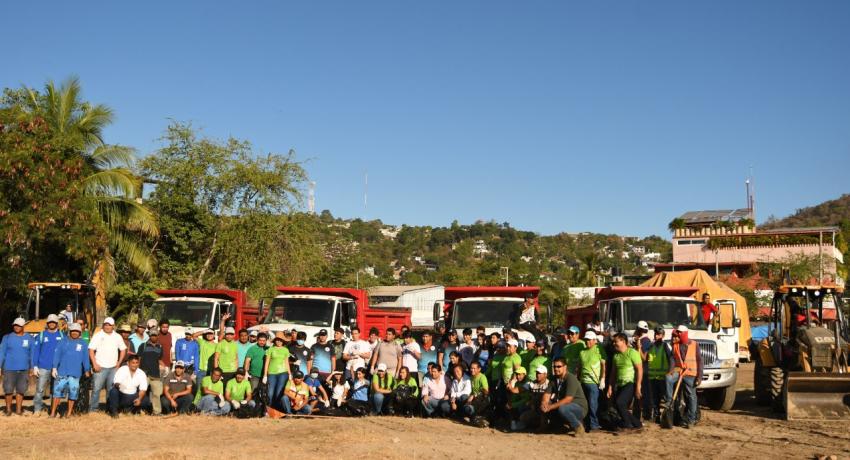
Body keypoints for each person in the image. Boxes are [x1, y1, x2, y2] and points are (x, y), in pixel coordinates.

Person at [49, 322, 90, 417]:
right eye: (73, 331)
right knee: (57, 393)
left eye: (77, 331)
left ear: (80, 332)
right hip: (62, 372)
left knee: (73, 393)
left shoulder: (83, 343)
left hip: (75, 373)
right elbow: (57, 355)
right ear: (69, 331)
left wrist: (87, 369)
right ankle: (52, 413)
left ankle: (69, 413)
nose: (75, 333)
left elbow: (85, 358)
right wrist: (54, 367)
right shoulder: (62, 341)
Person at [665, 325, 703, 428]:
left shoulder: (694, 344)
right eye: (678, 332)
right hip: (679, 371)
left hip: (691, 374)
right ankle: (669, 401)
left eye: (680, 332)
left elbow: (700, 360)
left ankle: (691, 419)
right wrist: (671, 370)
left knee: (691, 396)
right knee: (668, 378)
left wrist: (699, 377)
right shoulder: (676, 345)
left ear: (685, 333)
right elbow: (673, 358)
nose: (678, 334)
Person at [88, 317, 127, 413]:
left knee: (111, 390)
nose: (107, 326)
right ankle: (93, 409)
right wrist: (94, 364)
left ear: (113, 326)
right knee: (96, 389)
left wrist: (119, 363)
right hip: (100, 367)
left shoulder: (117, 336)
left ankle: (109, 409)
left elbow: (123, 350)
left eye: (109, 325)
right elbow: (91, 350)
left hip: (113, 367)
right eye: (106, 324)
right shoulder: (98, 335)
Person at [542, 357, 588, 436]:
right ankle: (559, 426)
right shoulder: (553, 379)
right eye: (554, 366)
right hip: (566, 406)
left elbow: (568, 399)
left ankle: (579, 427)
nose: (556, 369)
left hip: (579, 407)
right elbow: (547, 394)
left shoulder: (571, 378)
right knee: (543, 403)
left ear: (565, 367)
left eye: (559, 366)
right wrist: (544, 403)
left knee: (562, 408)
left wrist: (550, 407)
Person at [607, 332, 643, 430]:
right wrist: (610, 387)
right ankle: (637, 424)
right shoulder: (616, 356)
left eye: (616, 342)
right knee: (619, 406)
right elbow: (613, 373)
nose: (614, 344)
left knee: (620, 403)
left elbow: (639, 369)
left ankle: (627, 424)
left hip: (630, 383)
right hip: (620, 384)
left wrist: (638, 386)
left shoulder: (632, 353)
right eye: (613, 342)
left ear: (623, 341)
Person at [31, 313, 64, 414]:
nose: (52, 324)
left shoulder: (62, 335)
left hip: (58, 368)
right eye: (50, 322)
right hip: (43, 367)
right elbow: (35, 351)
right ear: (47, 323)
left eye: (54, 322)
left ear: (56, 323)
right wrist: (35, 366)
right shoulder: (41, 335)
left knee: (56, 391)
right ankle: (37, 410)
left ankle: (54, 410)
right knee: (40, 390)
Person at [0, 318, 33, 416]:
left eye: (19, 325)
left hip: (24, 368)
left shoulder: (30, 338)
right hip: (9, 368)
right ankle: (8, 410)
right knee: (8, 390)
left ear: (23, 326)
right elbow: (2, 353)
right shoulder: (7, 337)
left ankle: (19, 410)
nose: (16, 327)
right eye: (15, 325)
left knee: (21, 390)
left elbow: (32, 353)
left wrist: (32, 367)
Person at [578, 330, 606, 432]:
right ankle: (586, 425)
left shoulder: (599, 350)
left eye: (589, 340)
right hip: (583, 382)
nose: (587, 342)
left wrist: (602, 379)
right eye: (586, 340)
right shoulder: (582, 352)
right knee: (585, 405)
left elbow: (603, 365)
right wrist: (578, 379)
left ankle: (594, 425)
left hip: (594, 382)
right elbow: (580, 367)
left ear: (594, 340)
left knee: (593, 404)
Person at [136, 329, 166, 415]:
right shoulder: (143, 345)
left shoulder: (160, 347)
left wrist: (164, 367)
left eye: (155, 335)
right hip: (144, 374)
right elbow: (139, 359)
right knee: (142, 392)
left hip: (155, 374)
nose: (153, 337)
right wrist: (137, 371)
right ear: (149, 336)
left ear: (158, 336)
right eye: (152, 335)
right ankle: (139, 410)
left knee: (157, 393)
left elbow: (159, 360)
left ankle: (156, 412)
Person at [515, 365, 550, 432]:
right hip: (535, 409)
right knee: (523, 417)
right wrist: (510, 388)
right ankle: (538, 424)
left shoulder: (549, 384)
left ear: (545, 374)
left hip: (547, 409)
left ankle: (544, 425)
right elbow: (518, 390)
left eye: (539, 373)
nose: (537, 375)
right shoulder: (532, 383)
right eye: (537, 373)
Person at [647, 326, 671, 422]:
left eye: (659, 334)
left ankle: (665, 417)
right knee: (655, 398)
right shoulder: (652, 346)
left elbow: (670, 360)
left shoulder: (665, 346)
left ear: (663, 336)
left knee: (664, 398)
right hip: (653, 377)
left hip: (662, 377)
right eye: (656, 334)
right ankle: (656, 416)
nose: (656, 336)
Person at [263, 335, 291, 410]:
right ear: (275, 341)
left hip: (283, 373)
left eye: (281, 340)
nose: (279, 342)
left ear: (283, 341)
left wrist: (290, 374)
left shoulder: (285, 350)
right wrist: (265, 375)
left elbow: (286, 362)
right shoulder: (270, 349)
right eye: (277, 340)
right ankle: (268, 409)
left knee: (279, 392)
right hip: (271, 373)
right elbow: (267, 362)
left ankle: (277, 409)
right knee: (270, 393)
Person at [632, 320, 653, 420]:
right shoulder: (640, 339)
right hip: (640, 370)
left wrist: (639, 347)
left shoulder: (645, 341)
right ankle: (640, 414)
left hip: (644, 370)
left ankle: (646, 414)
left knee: (643, 392)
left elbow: (644, 358)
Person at [462, 361, 490, 426]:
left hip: (481, 399)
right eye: (471, 368)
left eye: (474, 368)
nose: (472, 370)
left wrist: (475, 395)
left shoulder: (482, 377)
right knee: (463, 398)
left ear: (479, 369)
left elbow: (486, 391)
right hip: (473, 398)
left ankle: (476, 417)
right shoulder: (471, 377)